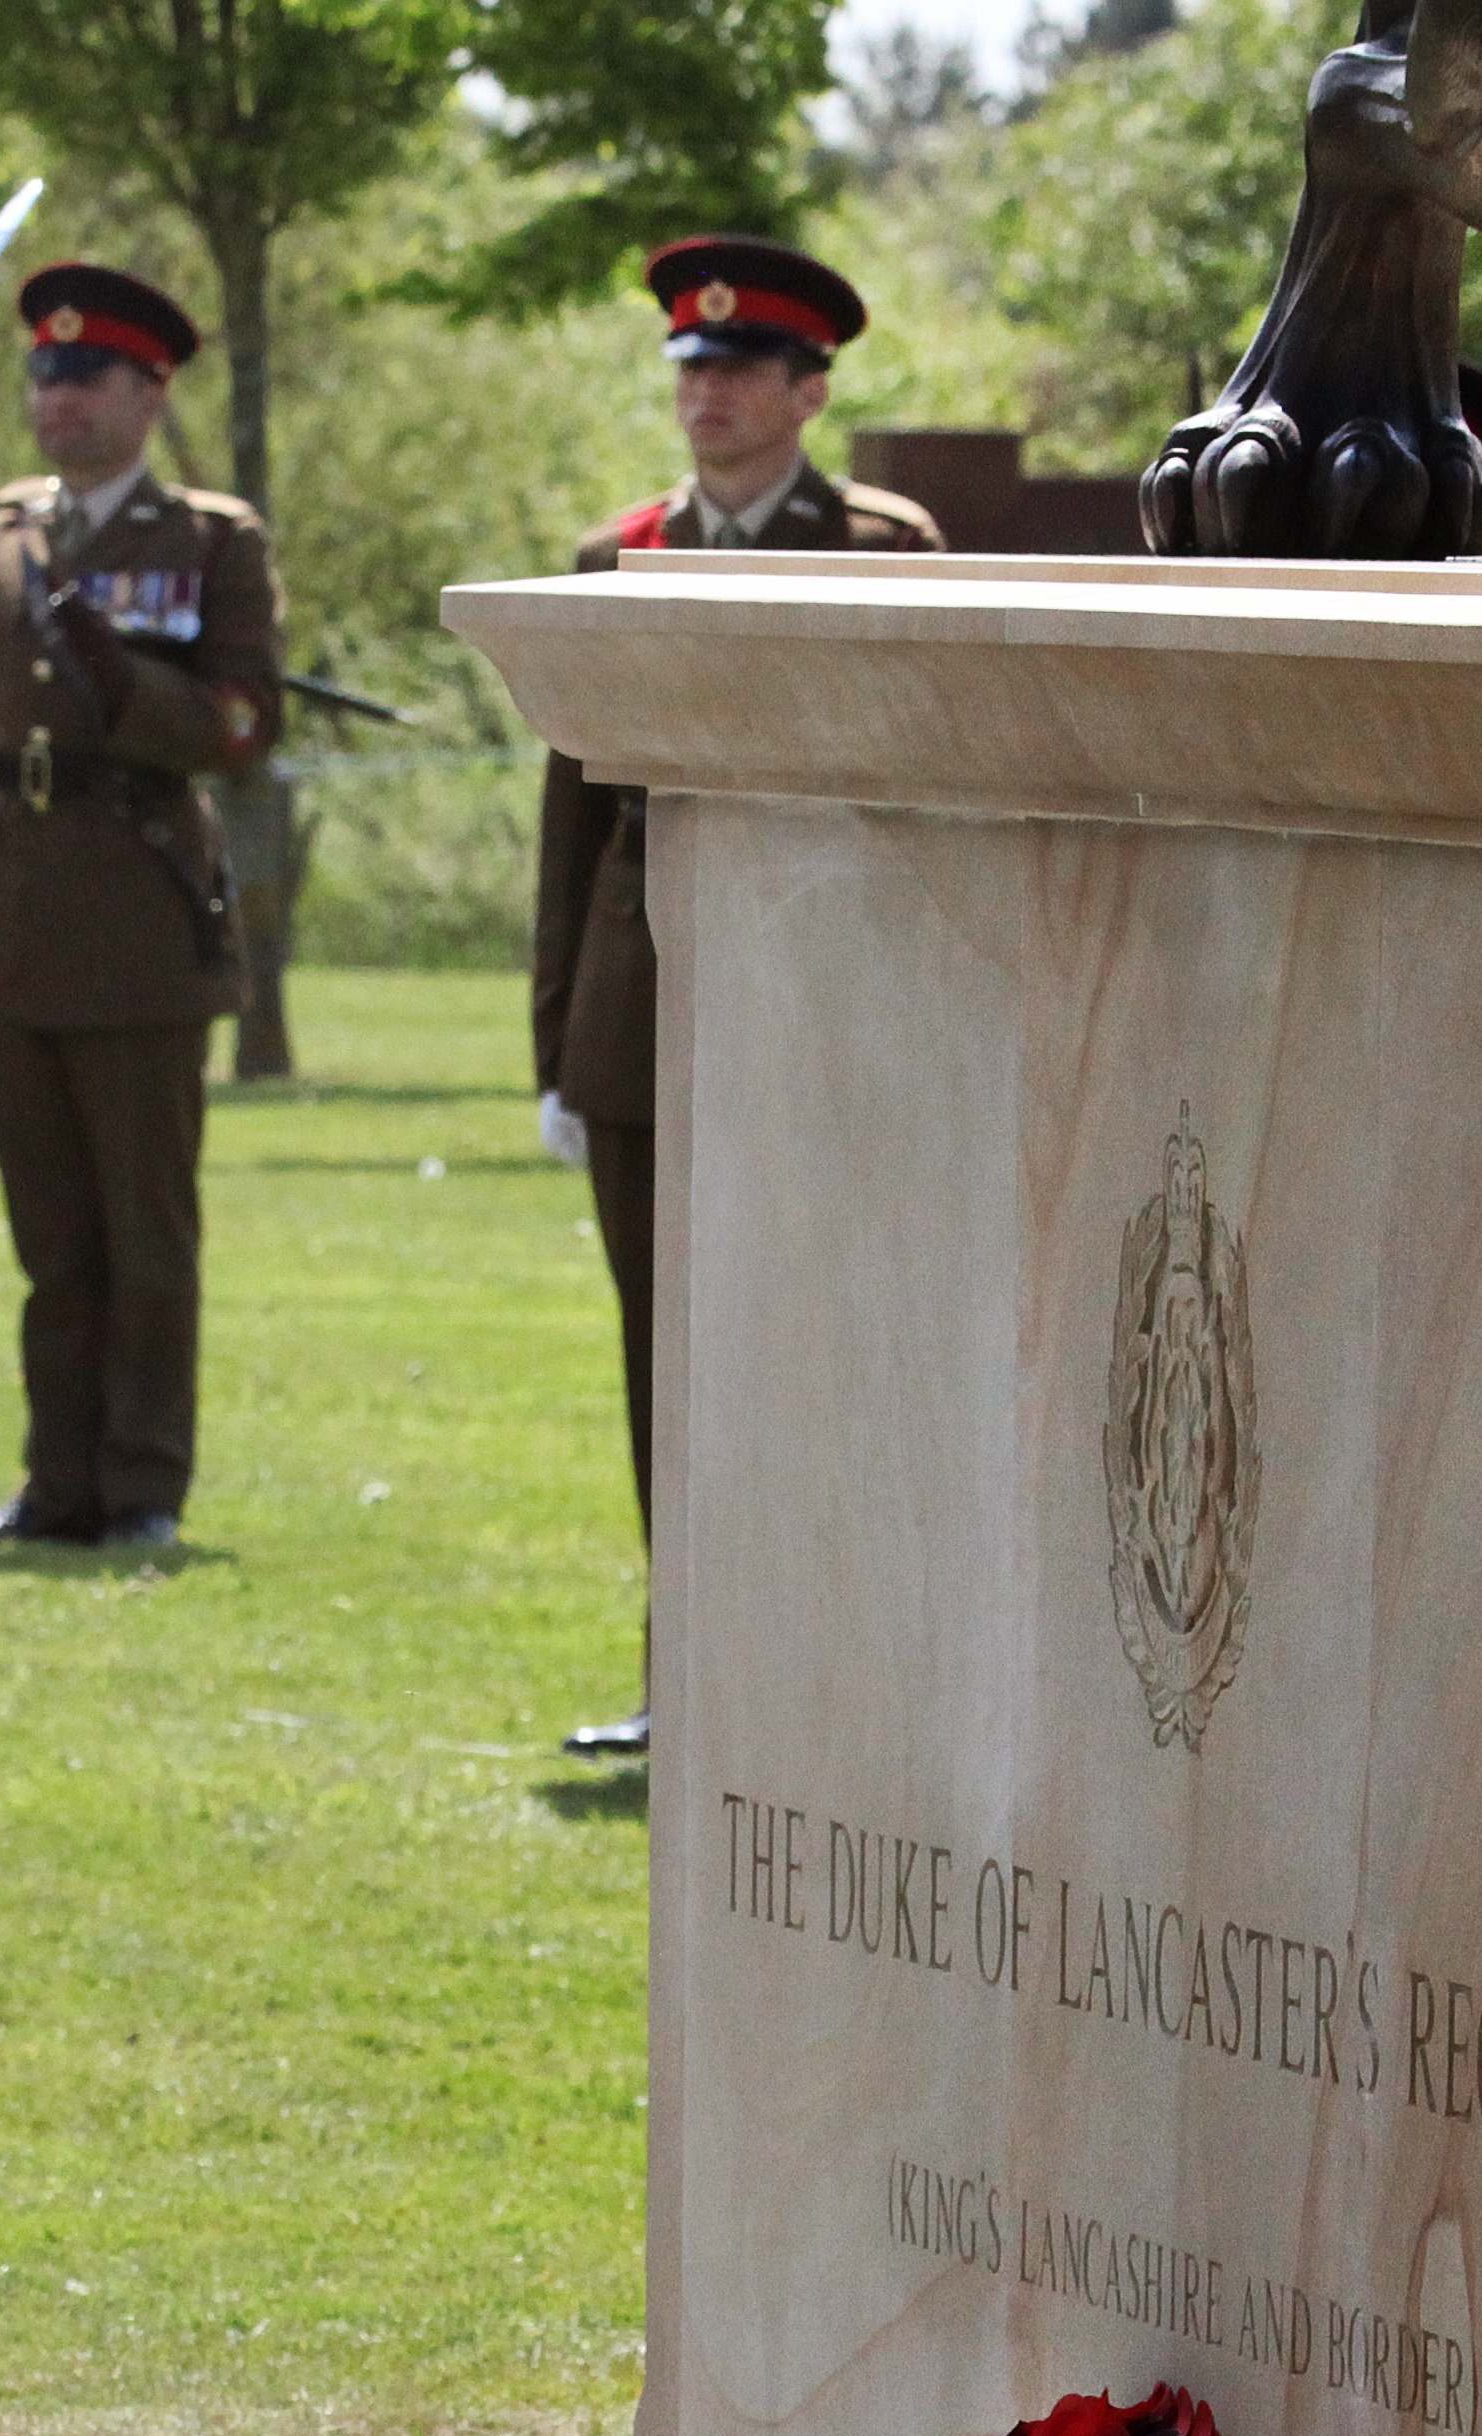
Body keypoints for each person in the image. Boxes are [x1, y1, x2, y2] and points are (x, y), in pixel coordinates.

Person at [536, 235, 939, 1757]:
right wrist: (555, 1054)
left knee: (824, 1350)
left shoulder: (884, 547)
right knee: (666, 1357)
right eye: (690, 369)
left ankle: (823, 1677)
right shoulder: (616, 556)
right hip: (643, 1021)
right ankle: (683, 1676)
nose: (707, 395)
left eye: (741, 369)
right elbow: (569, 832)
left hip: (825, 1016)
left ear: (809, 388)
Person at [0, 262, 280, 1559]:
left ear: (148, 391)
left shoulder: (210, 540)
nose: (59, 400)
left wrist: (130, 687)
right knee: (49, 1237)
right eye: (44, 376)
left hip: (140, 910)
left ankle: (139, 1485)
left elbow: (245, 725)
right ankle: (54, 1482)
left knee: (145, 1234)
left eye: (87, 380)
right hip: (15, 904)